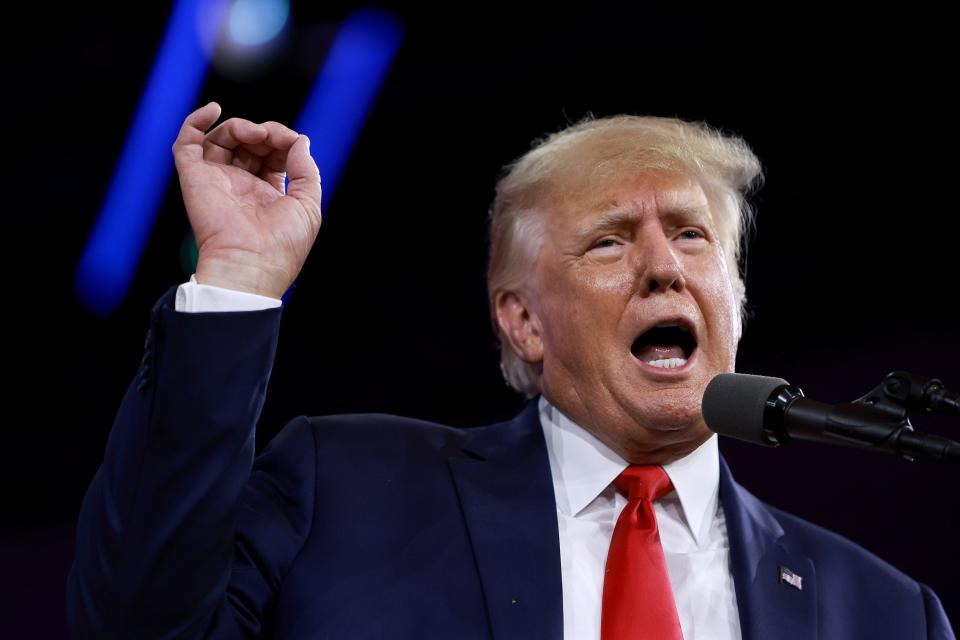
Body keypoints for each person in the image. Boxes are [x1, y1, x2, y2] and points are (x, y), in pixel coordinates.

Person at [66, 102, 955, 639]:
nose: (663, 265)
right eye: (609, 240)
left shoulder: (884, 615)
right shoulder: (344, 494)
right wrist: (239, 280)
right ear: (522, 322)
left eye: (691, 234)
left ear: (735, 291)